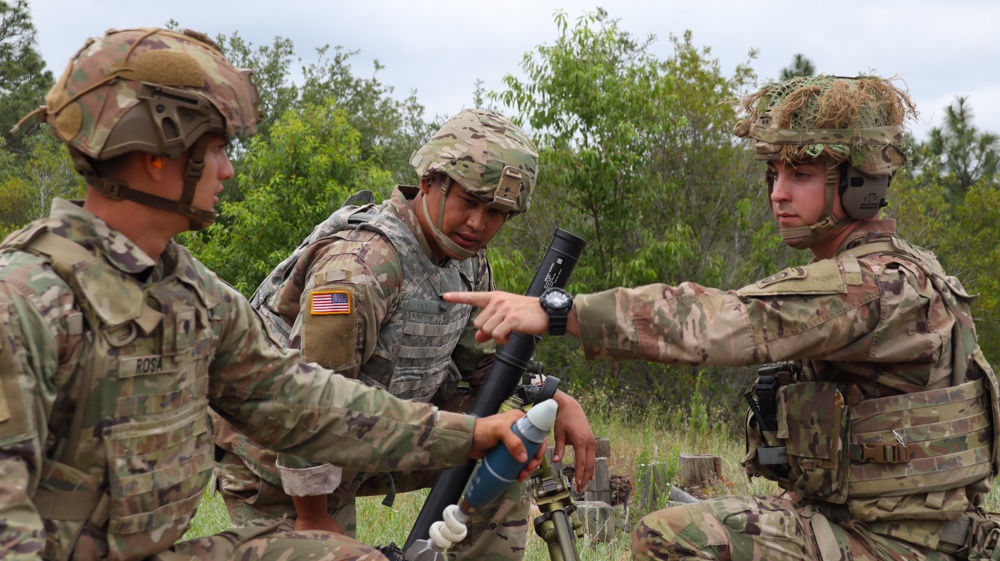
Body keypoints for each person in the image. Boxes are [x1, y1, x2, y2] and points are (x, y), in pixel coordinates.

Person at [0, 27, 540, 561]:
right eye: (214, 149)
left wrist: (468, 433)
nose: (229, 170)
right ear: (154, 154)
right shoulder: (26, 301)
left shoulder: (188, 292)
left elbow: (304, 400)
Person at [444, 75, 1000, 561]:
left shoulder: (870, 285)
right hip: (879, 522)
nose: (778, 194)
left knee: (670, 537)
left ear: (859, 185)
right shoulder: (898, 270)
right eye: (773, 174)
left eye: (801, 174)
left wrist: (560, 312)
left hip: (895, 543)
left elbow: (721, 323)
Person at [212, 108, 596, 559]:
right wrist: (314, 518)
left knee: (507, 447)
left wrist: (552, 399)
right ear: (432, 182)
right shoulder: (359, 267)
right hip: (281, 464)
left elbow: (485, 368)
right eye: (468, 202)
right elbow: (305, 402)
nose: (478, 223)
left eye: (496, 212)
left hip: (372, 436)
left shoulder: (467, 261)